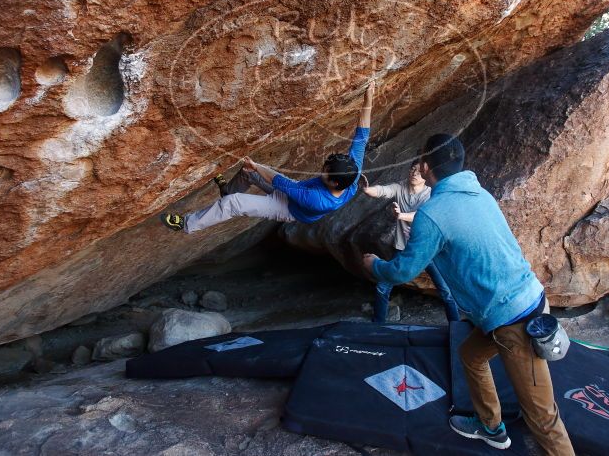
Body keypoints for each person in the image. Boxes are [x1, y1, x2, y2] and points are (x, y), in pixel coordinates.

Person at [362, 134, 573, 454]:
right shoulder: (480, 194)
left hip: (515, 320)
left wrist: (374, 265)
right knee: (471, 355)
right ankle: (491, 427)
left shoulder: (433, 214)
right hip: (522, 300)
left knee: (542, 417)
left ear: (425, 166)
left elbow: (402, 271)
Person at [161, 82, 375, 233]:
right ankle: (227, 190)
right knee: (247, 174)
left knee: (234, 203)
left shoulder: (318, 201)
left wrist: (257, 166)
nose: (322, 171)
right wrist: (369, 97)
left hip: (288, 208)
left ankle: (187, 224)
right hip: (297, 191)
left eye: (326, 172)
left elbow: (278, 181)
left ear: (335, 182)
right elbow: (362, 136)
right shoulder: (351, 172)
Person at [360, 160, 460, 323]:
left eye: (418, 171)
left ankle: (455, 327)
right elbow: (383, 190)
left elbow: (421, 216)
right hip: (403, 248)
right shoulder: (401, 187)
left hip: (429, 250)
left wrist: (400, 216)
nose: (414, 173)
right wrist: (366, 189)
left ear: (426, 174)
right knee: (383, 286)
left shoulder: (431, 194)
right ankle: (378, 324)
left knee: (446, 291)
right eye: (412, 170)